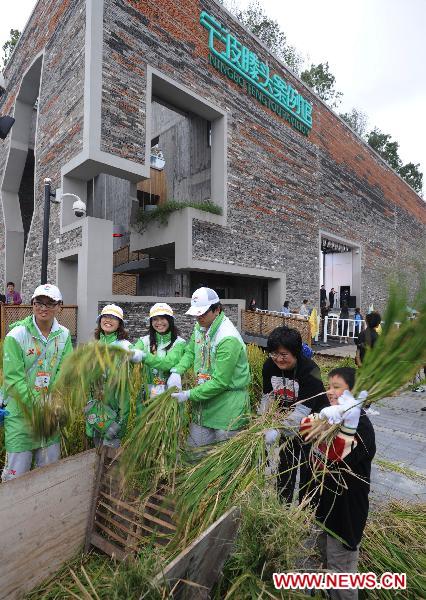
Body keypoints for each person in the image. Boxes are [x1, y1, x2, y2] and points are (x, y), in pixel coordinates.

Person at [300, 367, 376, 600]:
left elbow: (334, 456)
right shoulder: (330, 416)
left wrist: (348, 422)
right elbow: (304, 430)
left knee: (341, 572)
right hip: (323, 507)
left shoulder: (361, 427)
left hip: (345, 515)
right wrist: (322, 416)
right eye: (329, 386)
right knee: (322, 557)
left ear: (353, 392)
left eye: (337, 387)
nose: (330, 392)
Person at [1, 284, 72, 481]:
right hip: (20, 416)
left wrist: (52, 402)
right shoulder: (16, 336)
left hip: (50, 418)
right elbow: (14, 380)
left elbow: (65, 371)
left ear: (60, 306)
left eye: (50, 303)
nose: (43, 308)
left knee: (49, 479)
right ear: (32, 304)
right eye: (39, 302)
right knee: (15, 480)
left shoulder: (64, 335)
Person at [168, 287, 250, 447]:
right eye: (196, 313)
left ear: (217, 309)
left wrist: (189, 394)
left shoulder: (227, 338)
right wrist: (177, 371)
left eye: (203, 313)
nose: (199, 317)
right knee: (194, 454)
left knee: (223, 461)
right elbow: (190, 352)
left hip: (228, 406)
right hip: (204, 402)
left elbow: (220, 382)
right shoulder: (199, 328)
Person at [261, 327, 328, 503]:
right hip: (284, 421)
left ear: (296, 352)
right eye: (273, 354)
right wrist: (263, 422)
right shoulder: (269, 366)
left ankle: (305, 510)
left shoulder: (311, 370)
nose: (278, 359)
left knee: (308, 468)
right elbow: (267, 397)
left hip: (312, 425)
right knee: (286, 466)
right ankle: (283, 505)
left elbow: (303, 412)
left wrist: (277, 429)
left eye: (283, 354)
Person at [85, 304, 141, 448]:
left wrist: (121, 421)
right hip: (95, 409)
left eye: (113, 318)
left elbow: (125, 390)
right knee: (96, 455)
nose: (108, 320)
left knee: (110, 458)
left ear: (120, 324)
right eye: (105, 316)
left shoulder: (125, 347)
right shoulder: (93, 346)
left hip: (115, 411)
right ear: (100, 320)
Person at [132, 303, 186, 402]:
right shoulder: (144, 341)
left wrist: (144, 356)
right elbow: (134, 350)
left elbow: (167, 363)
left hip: (170, 397)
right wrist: (133, 352)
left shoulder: (179, 343)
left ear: (170, 320)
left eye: (162, 318)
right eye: (155, 319)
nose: (159, 322)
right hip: (146, 397)